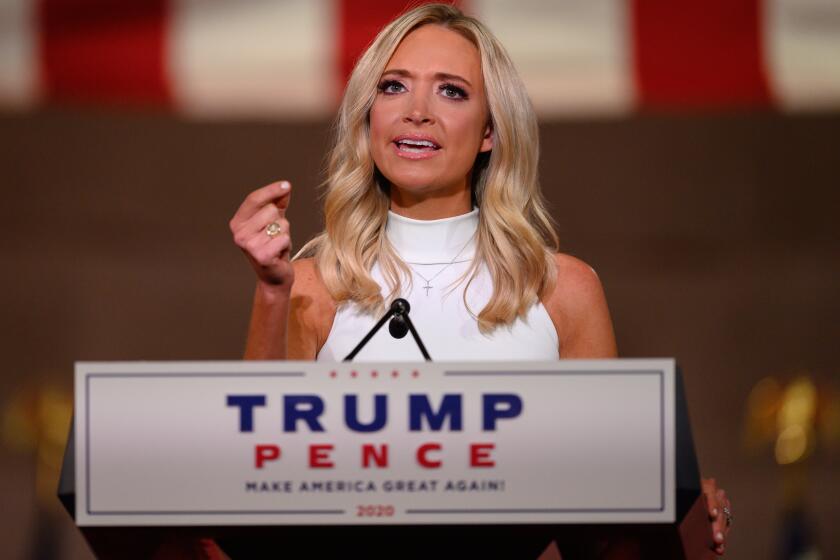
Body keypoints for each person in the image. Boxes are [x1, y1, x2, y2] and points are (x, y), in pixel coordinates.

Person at [229, 3, 732, 557]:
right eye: (394, 86)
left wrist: (668, 511)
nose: (416, 111)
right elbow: (259, 482)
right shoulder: (308, 286)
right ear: (368, 115)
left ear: (490, 130)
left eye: (451, 91)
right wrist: (273, 292)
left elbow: (602, 514)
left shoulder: (563, 291)